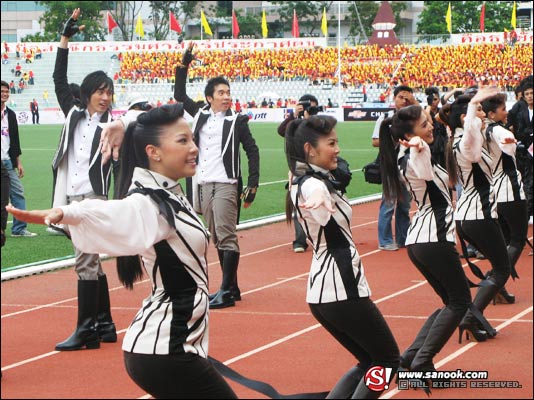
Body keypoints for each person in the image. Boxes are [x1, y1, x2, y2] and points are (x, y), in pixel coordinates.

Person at [7, 103, 237, 399]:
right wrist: (65, 212)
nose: (194, 147)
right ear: (153, 152)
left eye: (192, 139)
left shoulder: (169, 193)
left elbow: (163, 114)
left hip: (170, 344)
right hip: (164, 348)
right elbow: (111, 212)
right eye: (183, 141)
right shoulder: (151, 202)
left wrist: (127, 124)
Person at [285, 115, 399, 399]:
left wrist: (324, 191)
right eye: (331, 143)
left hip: (323, 291)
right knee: (387, 360)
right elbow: (314, 190)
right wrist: (321, 195)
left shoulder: (308, 178)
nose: (337, 149)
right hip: (342, 288)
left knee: (369, 361)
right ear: (310, 149)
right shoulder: (311, 183)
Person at [379, 104, 474, 379]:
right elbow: (422, 166)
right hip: (433, 238)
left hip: (421, 240)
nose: (431, 126)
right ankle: (423, 360)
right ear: (408, 136)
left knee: (450, 302)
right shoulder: (414, 155)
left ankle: (410, 356)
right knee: (459, 301)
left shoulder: (406, 155)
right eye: (424, 124)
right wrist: (418, 145)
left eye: (429, 121)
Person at [174, 42, 260, 310]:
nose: (226, 96)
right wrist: (184, 64)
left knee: (226, 235)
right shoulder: (200, 113)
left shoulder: (237, 121)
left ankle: (225, 289)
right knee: (215, 236)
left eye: (228, 92)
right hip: (202, 183)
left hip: (226, 183)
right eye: (221, 92)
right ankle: (231, 287)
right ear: (209, 97)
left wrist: (253, 184)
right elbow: (179, 93)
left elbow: (252, 151)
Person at [50, 8, 116, 351]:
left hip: (93, 198)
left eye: (109, 93)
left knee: (84, 260)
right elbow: (59, 81)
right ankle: (104, 324)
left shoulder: (112, 126)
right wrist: (64, 40)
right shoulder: (73, 114)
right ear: (88, 92)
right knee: (91, 258)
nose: (105, 97)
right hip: (72, 195)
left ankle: (86, 330)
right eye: (100, 92)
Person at [445, 88, 512, 341]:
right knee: (502, 269)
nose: (484, 114)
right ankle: (471, 317)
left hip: (472, 214)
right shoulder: (465, 142)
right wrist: (473, 104)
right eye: (480, 111)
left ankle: (473, 316)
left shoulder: (461, 140)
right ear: (466, 118)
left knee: (499, 267)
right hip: (477, 214)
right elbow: (472, 139)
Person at [481, 92, 528, 303]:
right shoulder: (498, 130)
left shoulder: (484, 130)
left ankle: (496, 282)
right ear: (492, 113)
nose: (506, 111)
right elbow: (510, 148)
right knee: (517, 240)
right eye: (502, 109)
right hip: (510, 187)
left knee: (507, 240)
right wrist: (514, 142)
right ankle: (495, 282)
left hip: (495, 187)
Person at [372, 85, 415, 251]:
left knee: (404, 205)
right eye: (401, 97)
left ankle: (403, 238)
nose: (404, 101)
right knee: (388, 204)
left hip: (407, 164)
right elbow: (375, 141)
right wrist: (394, 139)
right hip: (390, 165)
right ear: (394, 98)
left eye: (407, 98)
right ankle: (385, 240)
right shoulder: (385, 117)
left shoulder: (413, 118)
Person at [277, 94, 322, 253]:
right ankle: (300, 240)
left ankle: (320, 236)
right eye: (308, 108)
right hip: (300, 168)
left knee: (320, 201)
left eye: (313, 107)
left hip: (319, 166)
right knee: (299, 204)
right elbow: (281, 130)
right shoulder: (296, 125)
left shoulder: (319, 124)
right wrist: (294, 115)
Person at [0, 80, 37, 237]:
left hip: (7, 161)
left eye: (7, 91)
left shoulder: (11, 114)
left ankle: (19, 229)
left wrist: (18, 162)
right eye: (2, 91)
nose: (5, 94)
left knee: (17, 193)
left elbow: (15, 140)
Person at [515, 79, 533, 226]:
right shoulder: (522, 113)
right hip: (527, 155)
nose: (530, 96)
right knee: (528, 183)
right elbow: (520, 132)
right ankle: (528, 213)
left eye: (532, 93)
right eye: (527, 94)